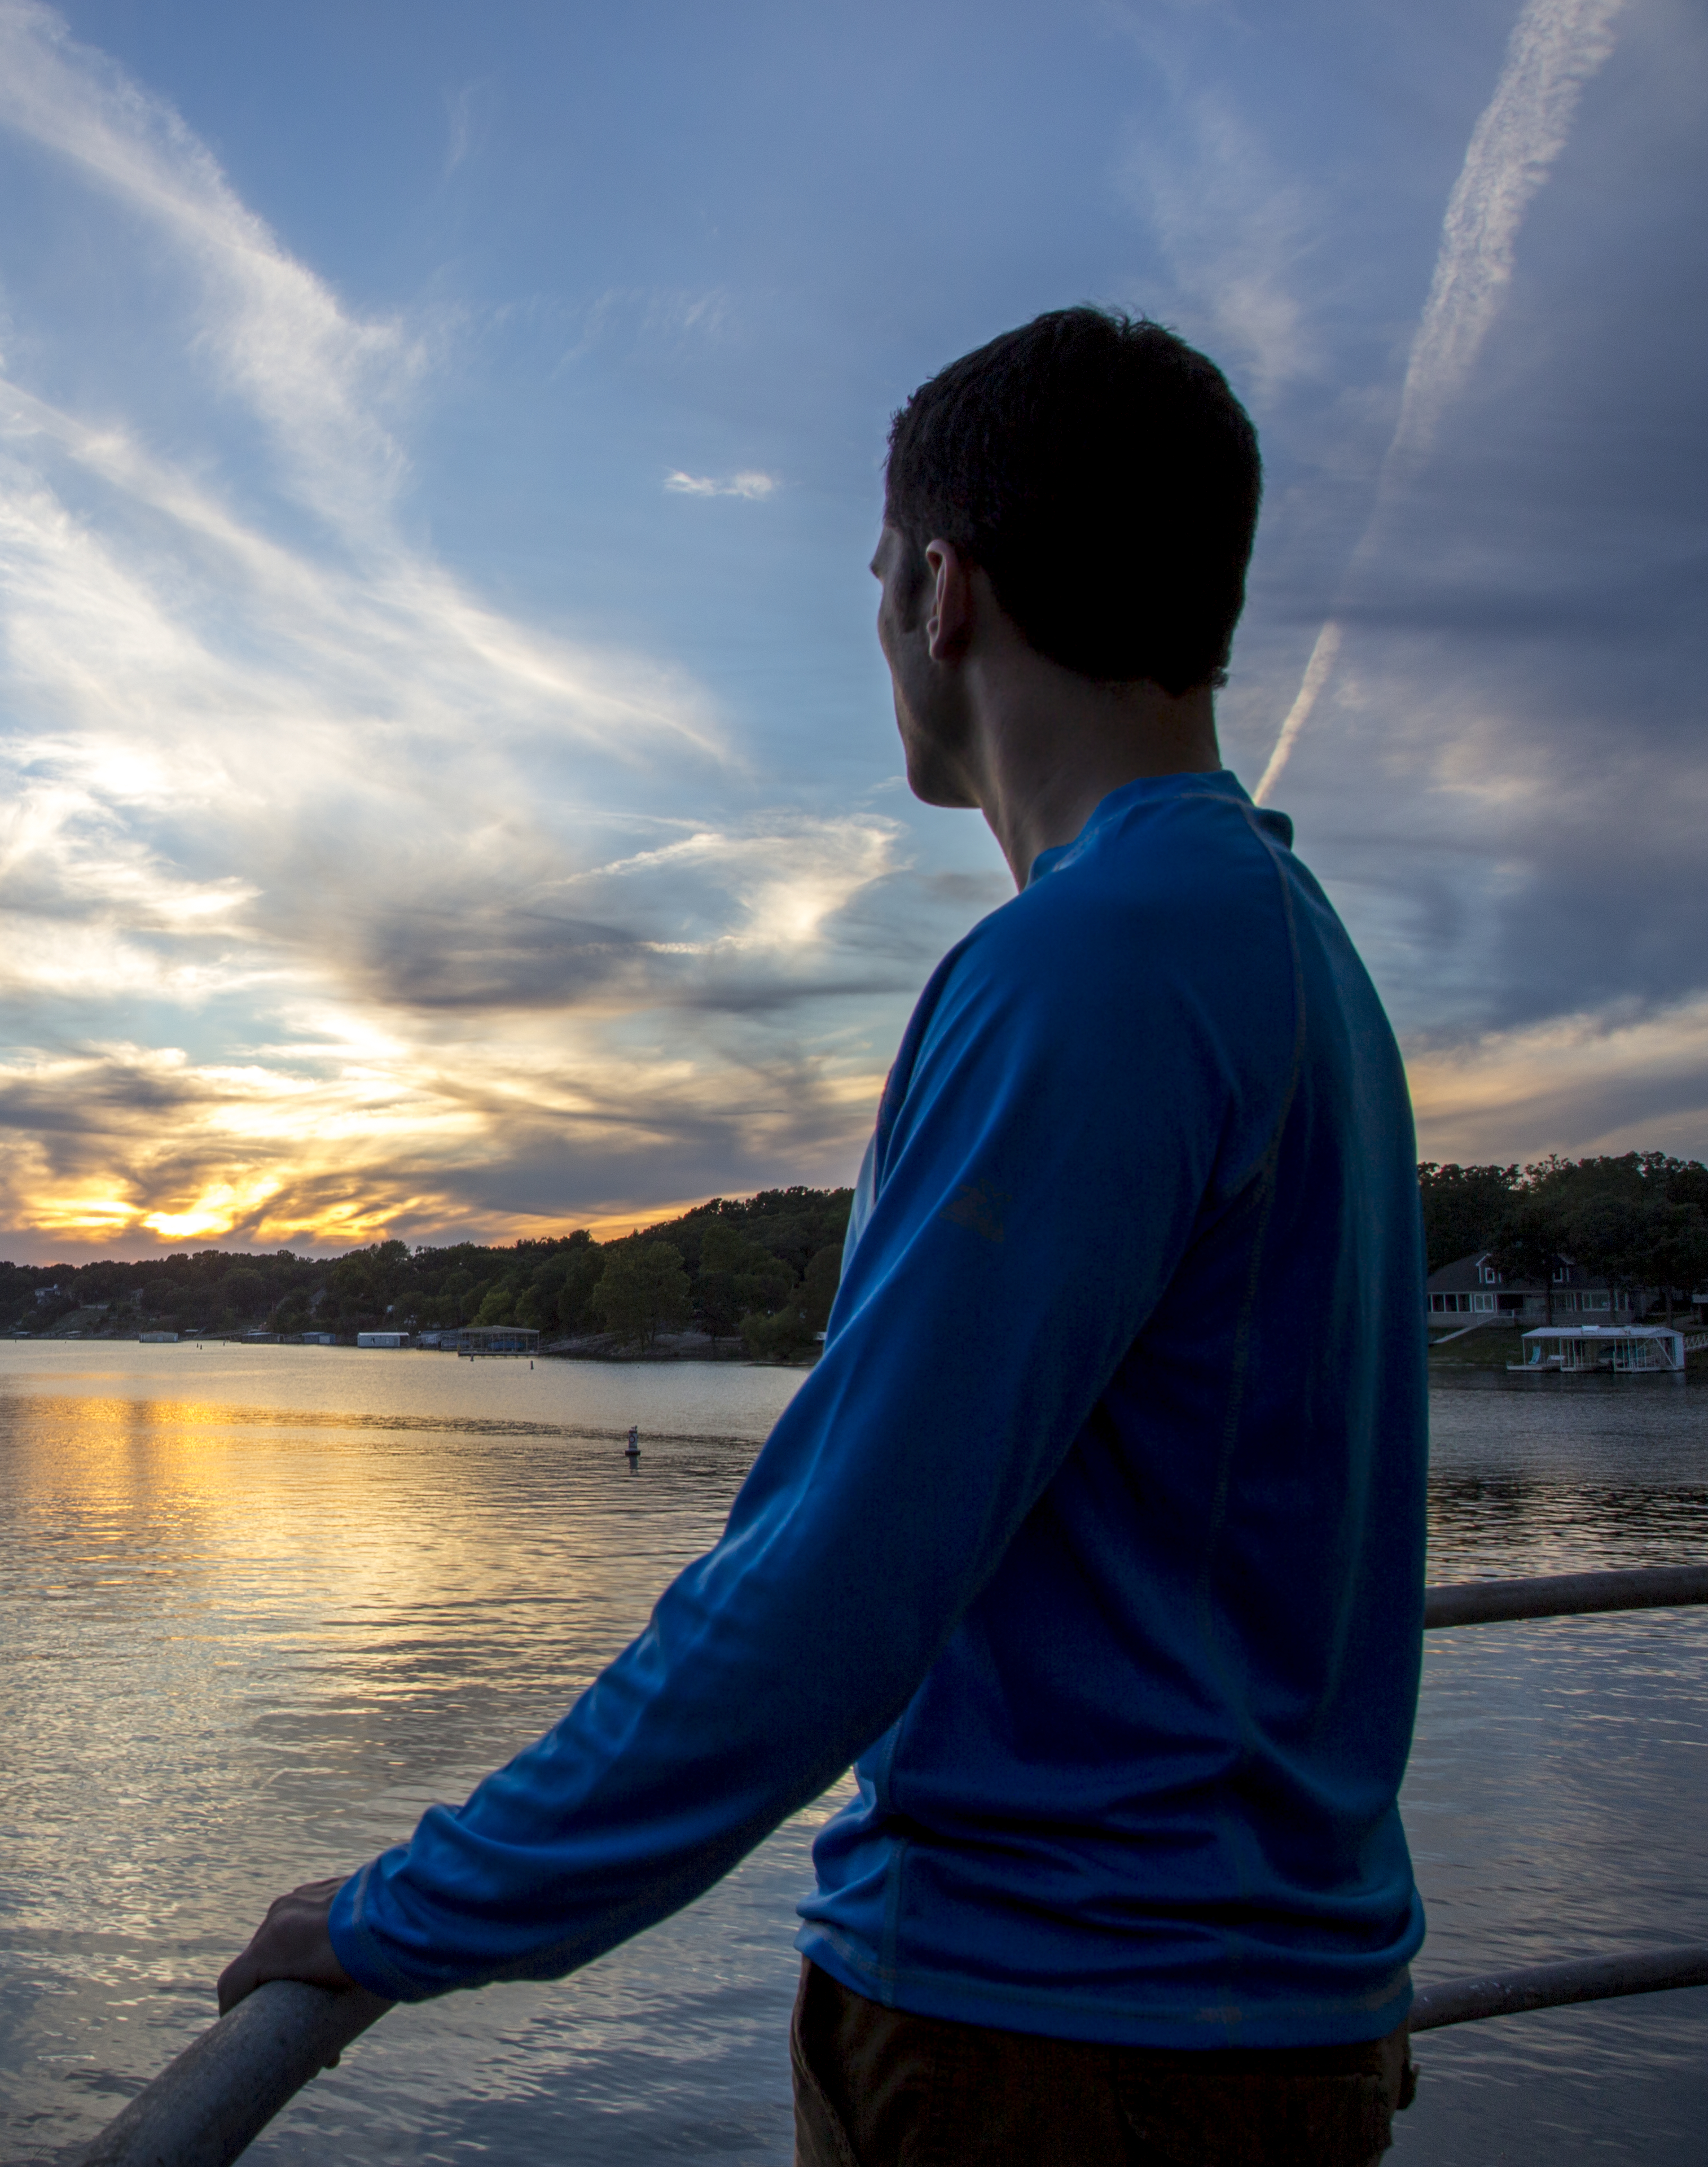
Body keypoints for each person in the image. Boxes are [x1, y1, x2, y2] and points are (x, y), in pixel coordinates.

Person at [216, 307, 1428, 2165]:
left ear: (944, 593)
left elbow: (831, 1583)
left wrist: (411, 1911)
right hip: (1237, 2018)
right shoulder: (1285, 942)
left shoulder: (1093, 967)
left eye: (879, 575)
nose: (878, 620)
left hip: (1056, 2045)